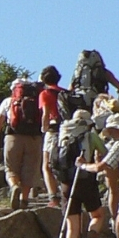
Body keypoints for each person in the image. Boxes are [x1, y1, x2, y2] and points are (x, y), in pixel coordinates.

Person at [53, 110, 105, 238]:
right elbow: (105, 152)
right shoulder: (90, 135)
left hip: (66, 183)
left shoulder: (61, 135)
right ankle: (91, 236)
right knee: (98, 215)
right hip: (86, 180)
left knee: (72, 225)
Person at [0, 77, 45, 211]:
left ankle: (14, 186)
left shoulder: (8, 101)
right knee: (30, 169)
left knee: (11, 168)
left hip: (13, 137)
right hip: (34, 137)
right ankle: (24, 200)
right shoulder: (37, 100)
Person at [39, 66, 70, 203]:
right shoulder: (65, 92)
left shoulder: (45, 93)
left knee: (47, 165)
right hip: (67, 129)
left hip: (53, 130)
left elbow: (46, 113)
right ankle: (67, 192)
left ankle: (53, 196)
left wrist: (44, 128)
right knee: (65, 161)